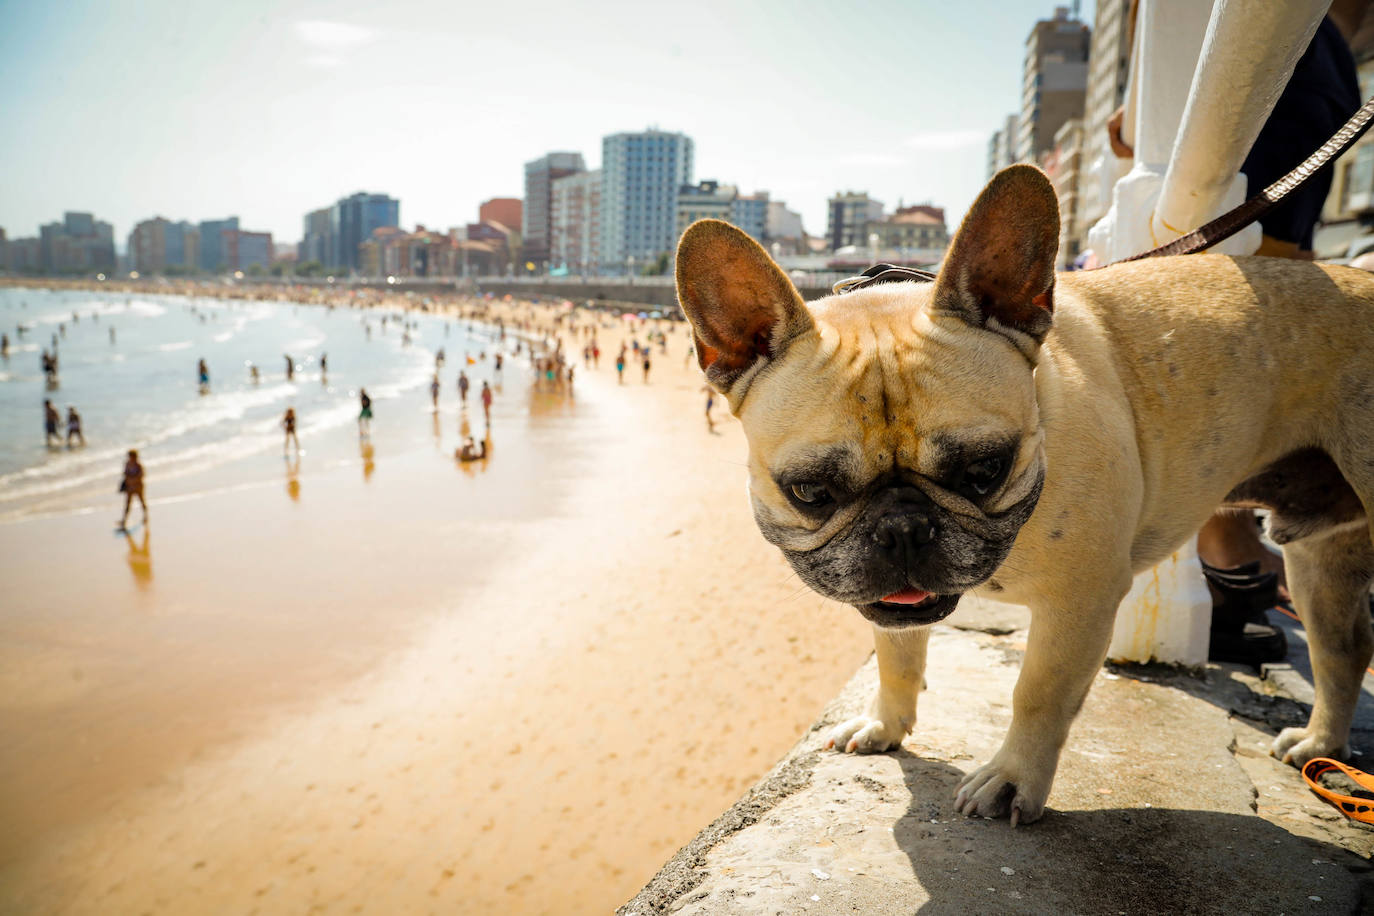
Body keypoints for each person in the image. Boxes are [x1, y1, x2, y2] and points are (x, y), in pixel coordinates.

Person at [119, 449, 146, 529]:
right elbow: (125, 474)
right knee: (127, 504)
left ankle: (145, 516)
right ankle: (124, 520)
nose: (130, 458)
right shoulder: (127, 464)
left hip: (138, 487)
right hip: (129, 488)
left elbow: (141, 476)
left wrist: (131, 479)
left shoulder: (138, 465)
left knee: (142, 501)